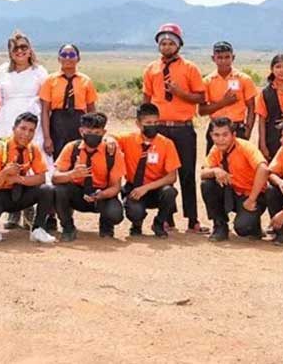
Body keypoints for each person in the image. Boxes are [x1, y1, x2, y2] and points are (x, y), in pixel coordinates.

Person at [143, 23, 207, 233]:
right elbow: (147, 100)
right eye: (163, 43)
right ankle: (166, 218)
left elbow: (200, 97)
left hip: (183, 128)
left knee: (187, 174)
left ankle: (192, 219)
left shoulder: (190, 68)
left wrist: (180, 92)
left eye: (171, 43)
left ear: (178, 45)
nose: (167, 46)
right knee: (162, 173)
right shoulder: (151, 69)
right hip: (159, 128)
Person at [0, 30, 50, 230]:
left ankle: (29, 210)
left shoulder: (39, 72)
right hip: (6, 120)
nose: (20, 51)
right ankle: (12, 212)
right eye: (15, 48)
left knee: (30, 164)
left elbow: (45, 104)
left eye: (24, 47)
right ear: (9, 51)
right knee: (7, 163)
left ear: (30, 49)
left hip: (32, 123)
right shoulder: (1, 72)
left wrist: (46, 133)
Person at [0, 112, 56, 243]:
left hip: (20, 192)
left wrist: (17, 179)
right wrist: (4, 173)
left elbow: (42, 178)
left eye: (31, 130)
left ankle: (38, 229)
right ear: (14, 128)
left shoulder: (33, 149)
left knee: (47, 190)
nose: (26, 134)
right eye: (23, 128)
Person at [52, 112, 125, 241]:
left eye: (97, 133)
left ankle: (106, 226)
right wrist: (72, 174)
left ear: (104, 133)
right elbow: (55, 178)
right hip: (78, 193)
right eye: (89, 132)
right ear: (81, 131)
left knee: (115, 214)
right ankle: (68, 228)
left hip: (101, 194)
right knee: (59, 190)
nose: (93, 136)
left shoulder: (112, 152)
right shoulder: (72, 148)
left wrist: (101, 195)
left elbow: (116, 186)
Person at [200, 117, 269, 241]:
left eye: (225, 135)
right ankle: (220, 226)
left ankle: (254, 226)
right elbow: (203, 173)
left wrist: (252, 199)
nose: (221, 139)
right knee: (207, 184)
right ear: (211, 135)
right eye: (216, 135)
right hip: (232, 192)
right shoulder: (216, 149)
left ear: (234, 135)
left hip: (251, 195)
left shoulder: (245, 147)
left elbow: (263, 169)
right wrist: (215, 170)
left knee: (243, 229)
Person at [116, 103, 180, 238]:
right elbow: (108, 138)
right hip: (134, 188)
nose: (153, 126)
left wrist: (146, 188)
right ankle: (136, 224)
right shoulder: (127, 139)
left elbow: (171, 177)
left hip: (156, 189)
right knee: (134, 210)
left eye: (156, 122)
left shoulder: (167, 143)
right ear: (138, 124)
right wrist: (110, 141)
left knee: (170, 192)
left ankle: (159, 223)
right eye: (148, 123)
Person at [41, 43, 98, 159]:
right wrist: (47, 138)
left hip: (79, 123)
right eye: (64, 54)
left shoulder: (86, 81)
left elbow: (91, 110)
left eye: (72, 54)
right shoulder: (50, 81)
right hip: (57, 124)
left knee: (79, 157)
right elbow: (45, 111)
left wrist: (92, 133)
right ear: (58, 58)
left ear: (78, 58)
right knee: (58, 159)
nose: (68, 58)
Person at [198, 40, 256, 151]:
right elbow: (202, 111)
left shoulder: (244, 79)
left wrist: (248, 131)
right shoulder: (207, 82)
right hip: (216, 129)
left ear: (233, 58)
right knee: (214, 164)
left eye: (227, 57)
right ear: (213, 58)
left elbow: (252, 107)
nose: (223, 61)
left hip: (237, 128)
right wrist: (223, 102)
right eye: (220, 57)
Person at [256, 54, 283, 161]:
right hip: (271, 138)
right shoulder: (265, 93)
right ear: (272, 69)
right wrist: (262, 144)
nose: (282, 70)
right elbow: (261, 120)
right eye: (278, 67)